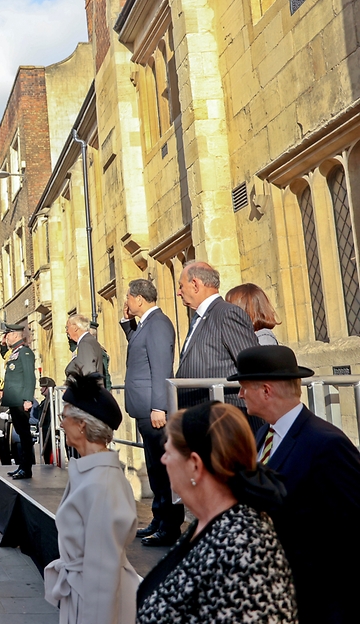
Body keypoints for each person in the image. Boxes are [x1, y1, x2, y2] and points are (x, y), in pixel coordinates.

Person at [230, 345, 360, 623]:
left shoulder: (326, 443)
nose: (239, 394)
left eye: (244, 387)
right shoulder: (264, 433)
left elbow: (352, 528)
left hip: (317, 599)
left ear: (266, 390)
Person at [136, 401, 296, 623]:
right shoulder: (210, 520)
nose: (163, 459)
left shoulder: (242, 546)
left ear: (195, 465)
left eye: (169, 452)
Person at [43, 374, 136, 624]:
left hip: (92, 601)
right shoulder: (90, 474)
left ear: (82, 424)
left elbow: (102, 571)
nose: (61, 425)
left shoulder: (101, 484)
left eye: (64, 417)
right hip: (80, 592)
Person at [120, 279, 182, 546]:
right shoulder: (144, 323)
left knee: (162, 469)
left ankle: (169, 525)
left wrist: (160, 406)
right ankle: (158, 518)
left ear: (140, 299)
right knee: (156, 470)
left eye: (129, 299)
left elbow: (161, 369)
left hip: (153, 409)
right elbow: (136, 344)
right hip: (144, 409)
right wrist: (126, 323)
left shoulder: (157, 324)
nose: (127, 303)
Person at [174, 261, 258, 416]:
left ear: (195, 284)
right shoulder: (199, 317)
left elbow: (252, 367)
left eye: (181, 286)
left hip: (224, 418)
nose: (179, 292)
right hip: (200, 417)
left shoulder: (227, 314)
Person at [1, 323, 37, 480]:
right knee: (21, 435)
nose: (6, 337)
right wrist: (3, 344)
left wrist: (28, 399)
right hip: (14, 401)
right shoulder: (14, 352)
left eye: (8, 334)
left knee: (24, 436)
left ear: (15, 335)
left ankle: (26, 468)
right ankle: (22, 466)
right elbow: (4, 354)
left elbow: (30, 377)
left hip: (21, 400)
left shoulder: (25, 353)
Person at [64, 314, 104, 380]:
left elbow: (88, 373)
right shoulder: (89, 340)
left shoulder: (85, 343)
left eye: (67, 327)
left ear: (75, 328)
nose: (66, 331)